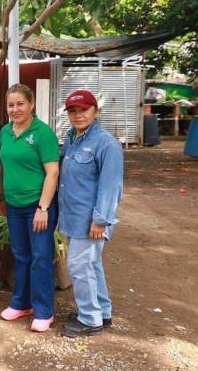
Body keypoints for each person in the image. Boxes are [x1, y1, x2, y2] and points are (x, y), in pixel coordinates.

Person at [58, 90, 124, 337]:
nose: (78, 115)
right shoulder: (72, 138)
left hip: (91, 221)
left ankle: (89, 319)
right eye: (73, 111)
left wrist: (101, 220)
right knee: (91, 266)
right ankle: (102, 313)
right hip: (73, 217)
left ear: (95, 111)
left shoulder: (106, 143)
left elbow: (111, 186)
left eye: (84, 110)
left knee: (78, 267)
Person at [0, 84, 60, 332]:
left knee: (41, 258)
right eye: (11, 105)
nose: (15, 109)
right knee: (21, 256)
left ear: (31, 104)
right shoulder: (5, 132)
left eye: (20, 104)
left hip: (38, 206)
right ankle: (21, 303)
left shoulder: (42, 133)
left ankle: (44, 310)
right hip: (13, 206)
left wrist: (43, 207)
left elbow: (53, 172)